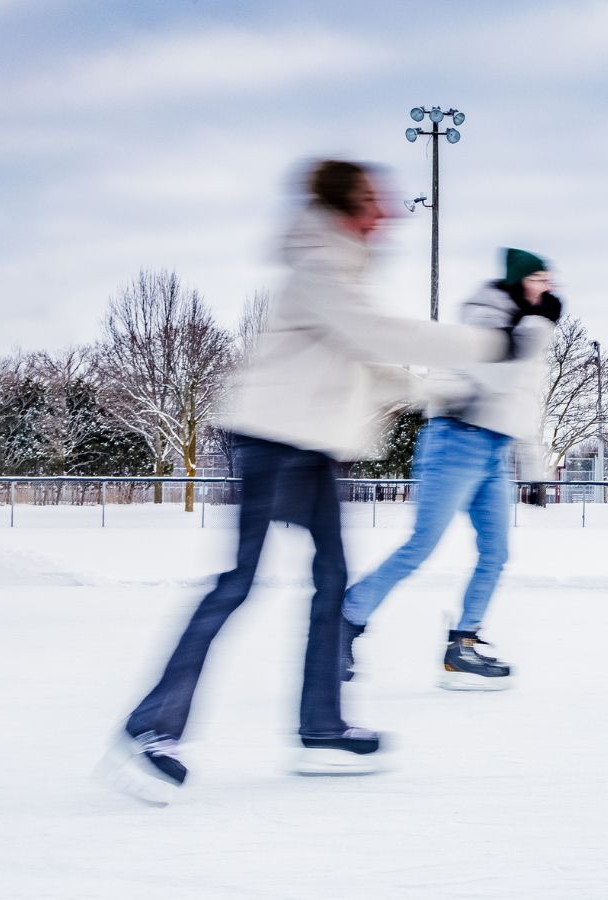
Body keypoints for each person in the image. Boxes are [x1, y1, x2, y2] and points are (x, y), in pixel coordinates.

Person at [105, 160, 515, 804]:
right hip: (270, 441)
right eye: (375, 200)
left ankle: (320, 728)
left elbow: (370, 362)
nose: (389, 212)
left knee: (331, 584)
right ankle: (148, 730)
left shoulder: (345, 269)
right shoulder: (317, 263)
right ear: (346, 204)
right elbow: (375, 333)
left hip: (318, 449)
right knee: (238, 583)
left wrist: (440, 392)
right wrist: (486, 346)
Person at [341, 249, 560, 690]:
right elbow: (493, 379)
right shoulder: (485, 317)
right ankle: (345, 620)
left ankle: (463, 645)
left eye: (550, 279)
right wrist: (538, 326)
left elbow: (522, 399)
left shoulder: (525, 328)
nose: (549, 287)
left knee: (496, 552)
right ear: (519, 282)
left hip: (493, 447)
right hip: (456, 437)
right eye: (539, 279)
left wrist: (534, 464)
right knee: (421, 545)